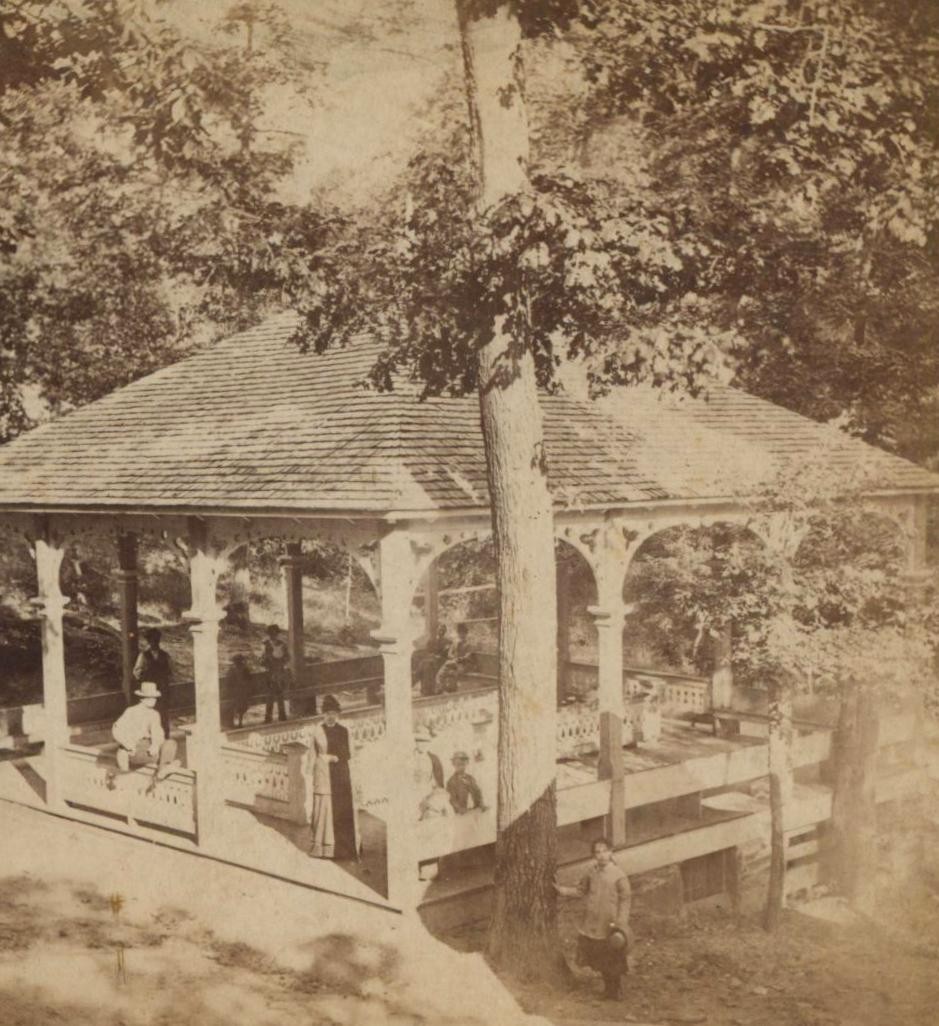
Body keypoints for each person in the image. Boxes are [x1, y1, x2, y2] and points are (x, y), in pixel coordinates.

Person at [554, 837, 632, 1000]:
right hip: (593, 922)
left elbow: (626, 898)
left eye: (605, 851)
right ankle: (607, 989)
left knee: (613, 957)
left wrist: (621, 921)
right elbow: (581, 890)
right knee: (602, 958)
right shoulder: (591, 872)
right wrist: (563, 890)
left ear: (611, 852)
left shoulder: (618, 875)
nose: (601, 855)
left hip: (610, 923)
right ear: (594, 855)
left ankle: (615, 990)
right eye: (597, 852)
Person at [309, 695, 358, 860]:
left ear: (338, 715)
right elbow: (312, 754)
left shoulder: (344, 731)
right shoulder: (318, 732)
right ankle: (324, 848)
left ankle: (345, 850)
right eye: (328, 713)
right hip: (324, 775)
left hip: (341, 774)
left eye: (334, 714)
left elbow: (349, 753)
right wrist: (318, 767)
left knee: (342, 810)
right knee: (325, 809)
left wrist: (335, 758)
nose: (331, 717)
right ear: (323, 714)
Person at [107, 681, 180, 792]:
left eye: (155, 698)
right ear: (142, 699)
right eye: (151, 698)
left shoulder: (154, 714)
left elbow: (158, 732)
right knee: (123, 753)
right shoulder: (131, 711)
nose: (154, 700)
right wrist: (127, 744)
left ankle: (161, 772)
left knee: (171, 743)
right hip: (134, 750)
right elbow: (116, 729)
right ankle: (162, 771)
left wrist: (155, 745)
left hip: (148, 750)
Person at [133, 627, 172, 735]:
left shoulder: (165, 655)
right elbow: (137, 672)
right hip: (149, 689)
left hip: (162, 689)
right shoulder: (143, 656)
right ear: (149, 641)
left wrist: (164, 679)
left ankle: (164, 735)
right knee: (149, 713)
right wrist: (146, 679)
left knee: (163, 713)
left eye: (156, 640)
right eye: (152, 640)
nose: (154, 642)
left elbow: (170, 671)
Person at [413, 730, 447, 818]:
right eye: (419, 741)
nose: (422, 744)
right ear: (415, 742)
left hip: (428, 793)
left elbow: (439, 784)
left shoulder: (433, 759)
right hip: (412, 793)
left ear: (428, 742)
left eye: (425, 741)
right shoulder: (409, 758)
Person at [436, 622, 475, 694]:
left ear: (466, 634)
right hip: (454, 662)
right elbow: (449, 653)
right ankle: (440, 688)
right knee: (441, 672)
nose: (461, 635)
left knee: (454, 673)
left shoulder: (468, 644)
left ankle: (452, 690)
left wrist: (459, 659)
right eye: (460, 633)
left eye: (463, 633)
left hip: (464, 664)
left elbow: (468, 655)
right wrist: (454, 658)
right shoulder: (455, 643)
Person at [261, 624, 288, 723]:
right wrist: (266, 662)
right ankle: (268, 717)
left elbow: (287, 657)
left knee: (280, 694)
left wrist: (281, 662)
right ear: (269, 635)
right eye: (271, 634)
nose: (273, 635)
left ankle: (282, 715)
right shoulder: (266, 645)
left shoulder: (282, 644)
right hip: (270, 672)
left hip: (280, 671)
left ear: (277, 634)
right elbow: (262, 660)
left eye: (275, 633)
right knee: (270, 695)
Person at [225, 653, 254, 729]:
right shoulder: (244, 668)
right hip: (240, 691)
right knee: (240, 707)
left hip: (237, 691)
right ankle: (239, 722)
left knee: (237, 706)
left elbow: (228, 681)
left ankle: (234, 722)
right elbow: (250, 679)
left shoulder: (233, 669)